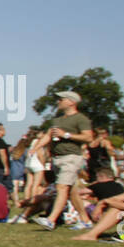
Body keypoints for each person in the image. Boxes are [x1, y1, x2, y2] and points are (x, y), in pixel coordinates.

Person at [32, 91, 93, 231]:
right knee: (71, 191)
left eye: (61, 99)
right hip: (57, 158)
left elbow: (88, 137)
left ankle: (51, 220)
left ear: (71, 102)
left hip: (72, 157)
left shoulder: (81, 119)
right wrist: (36, 147)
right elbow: (48, 135)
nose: (58, 102)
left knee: (61, 187)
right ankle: (85, 220)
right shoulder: (57, 120)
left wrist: (65, 134)